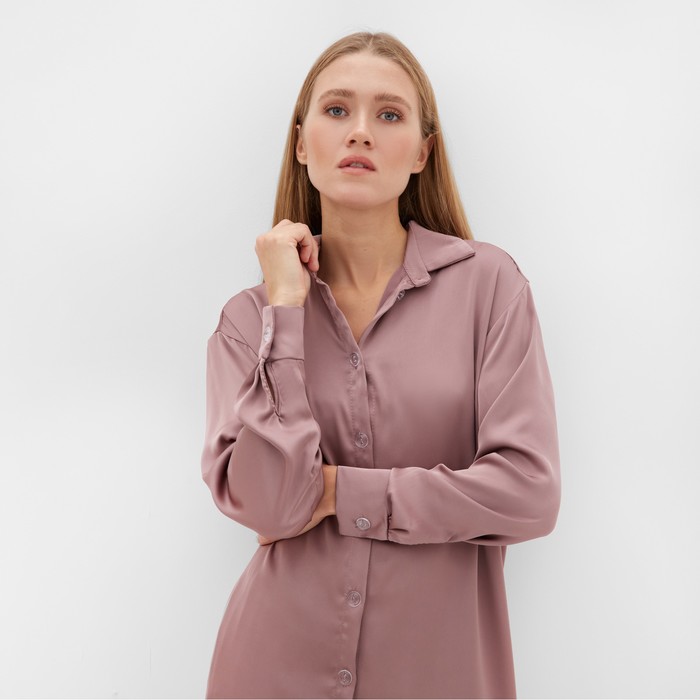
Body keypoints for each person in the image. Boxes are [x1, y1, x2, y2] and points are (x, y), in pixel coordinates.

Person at [200, 30, 561, 699]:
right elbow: (272, 506)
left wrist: (339, 492)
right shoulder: (250, 321)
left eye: (389, 114)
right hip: (272, 668)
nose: (360, 131)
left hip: (438, 676)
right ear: (301, 143)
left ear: (422, 152)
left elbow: (528, 494)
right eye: (337, 110)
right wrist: (286, 309)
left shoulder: (489, 287)